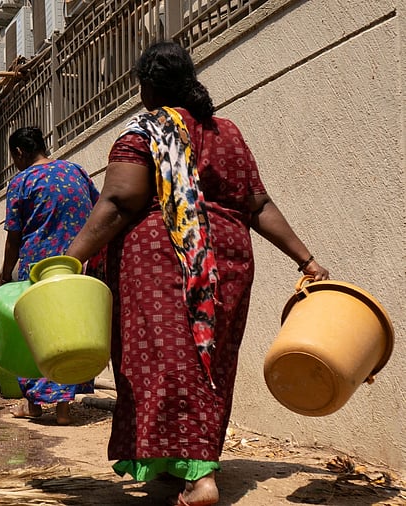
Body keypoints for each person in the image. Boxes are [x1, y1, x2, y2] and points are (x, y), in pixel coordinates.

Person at [64, 41, 330, 506]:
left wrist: (70, 259)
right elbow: (258, 204)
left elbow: (119, 201)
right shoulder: (227, 133)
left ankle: (199, 477)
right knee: (210, 363)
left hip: (162, 258)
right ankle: (182, 463)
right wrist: (306, 259)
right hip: (228, 260)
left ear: (147, 86)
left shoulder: (144, 132)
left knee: (164, 362)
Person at [0, 126, 100, 426]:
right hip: (75, 264)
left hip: (39, 267)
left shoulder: (22, 181)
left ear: (19, 152)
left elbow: (14, 236)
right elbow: (97, 208)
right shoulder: (75, 171)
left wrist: (5, 274)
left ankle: (34, 406)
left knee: (36, 332)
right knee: (69, 330)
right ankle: (64, 410)